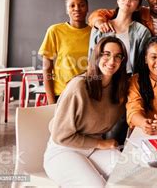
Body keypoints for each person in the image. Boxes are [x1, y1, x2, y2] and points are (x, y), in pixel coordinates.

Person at [44, 36, 129, 186]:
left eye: (118, 56)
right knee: (96, 185)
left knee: (128, 174)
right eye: (106, 54)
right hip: (63, 151)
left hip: (92, 150)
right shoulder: (79, 86)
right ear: (97, 56)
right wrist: (100, 144)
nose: (111, 61)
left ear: (122, 61)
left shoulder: (119, 89)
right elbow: (60, 136)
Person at [39, 0, 92, 104]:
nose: (77, 8)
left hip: (89, 94)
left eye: (81, 5)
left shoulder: (95, 32)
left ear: (87, 8)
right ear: (67, 10)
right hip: (62, 94)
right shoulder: (55, 31)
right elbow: (46, 68)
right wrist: (51, 102)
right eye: (72, 6)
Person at [89, 0, 150, 75]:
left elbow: (143, 64)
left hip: (128, 82)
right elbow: (91, 59)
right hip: (102, 80)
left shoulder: (142, 32)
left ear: (138, 8)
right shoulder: (100, 27)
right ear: (118, 0)